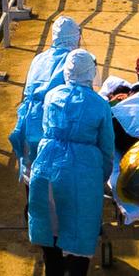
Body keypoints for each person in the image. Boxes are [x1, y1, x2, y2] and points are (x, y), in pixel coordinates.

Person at [28, 48, 114, 276]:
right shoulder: (99, 105)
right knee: (79, 234)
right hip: (82, 170)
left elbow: (43, 129)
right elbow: (107, 147)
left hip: (47, 163)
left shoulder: (53, 96)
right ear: (91, 73)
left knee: (50, 228)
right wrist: (100, 176)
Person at [9, 15, 81, 183]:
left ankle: (31, 205)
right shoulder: (73, 61)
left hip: (29, 121)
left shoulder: (38, 59)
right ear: (76, 37)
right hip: (55, 124)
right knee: (56, 176)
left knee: (32, 173)